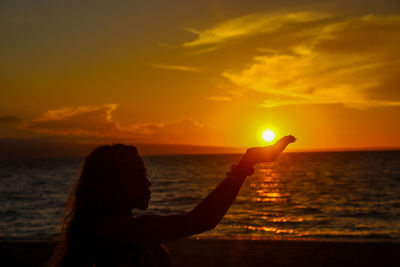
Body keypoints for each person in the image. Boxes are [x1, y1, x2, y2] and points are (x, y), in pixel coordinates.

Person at [48, 135, 296, 266]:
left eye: (145, 174)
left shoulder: (112, 229)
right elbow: (200, 220)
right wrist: (244, 166)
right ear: (111, 184)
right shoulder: (118, 231)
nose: (148, 183)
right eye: (138, 175)